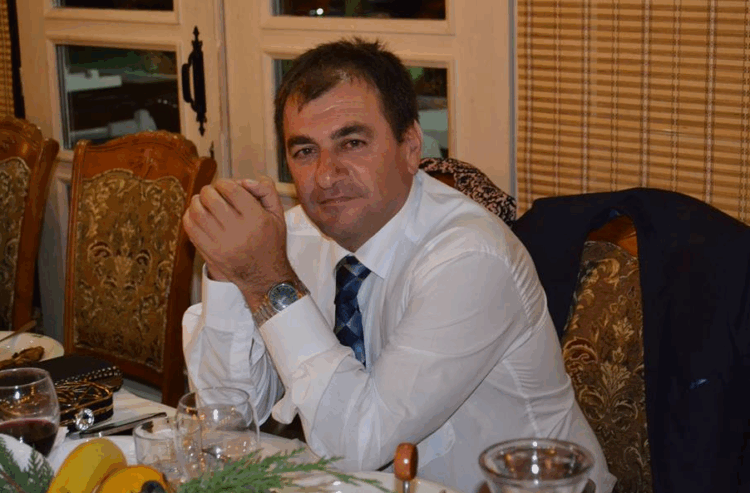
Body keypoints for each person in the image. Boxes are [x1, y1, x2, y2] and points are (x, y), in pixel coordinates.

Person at [181, 38, 615, 493]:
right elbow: (226, 419)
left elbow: (357, 444)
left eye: (352, 143)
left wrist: (270, 283)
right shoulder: (293, 237)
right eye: (305, 151)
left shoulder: (469, 257)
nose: (325, 175)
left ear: (410, 147)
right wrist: (229, 269)